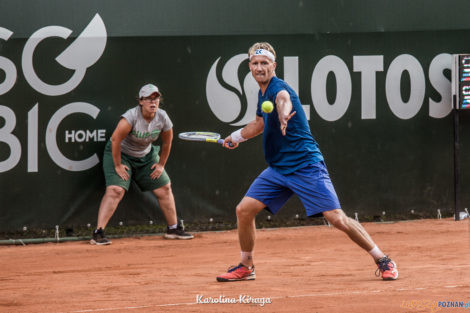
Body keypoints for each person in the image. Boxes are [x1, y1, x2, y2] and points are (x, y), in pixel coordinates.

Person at [216, 42, 398, 282]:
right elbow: (259, 124)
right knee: (244, 210)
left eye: (264, 63)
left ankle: (383, 259)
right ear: (250, 67)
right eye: (255, 63)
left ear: (274, 66)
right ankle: (246, 265)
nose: (260, 67)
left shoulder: (279, 89)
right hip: (279, 168)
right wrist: (236, 137)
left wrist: (283, 113)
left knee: (337, 218)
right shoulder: (261, 93)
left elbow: (283, 100)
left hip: (305, 165)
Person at [91, 83, 193, 245]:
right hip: (120, 154)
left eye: (156, 98)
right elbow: (116, 140)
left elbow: (167, 142)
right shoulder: (130, 117)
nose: (153, 102)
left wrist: (160, 165)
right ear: (140, 101)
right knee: (116, 190)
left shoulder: (163, 117)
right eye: (148, 99)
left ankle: (173, 229)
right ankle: (98, 232)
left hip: (146, 155)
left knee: (165, 187)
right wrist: (117, 165)